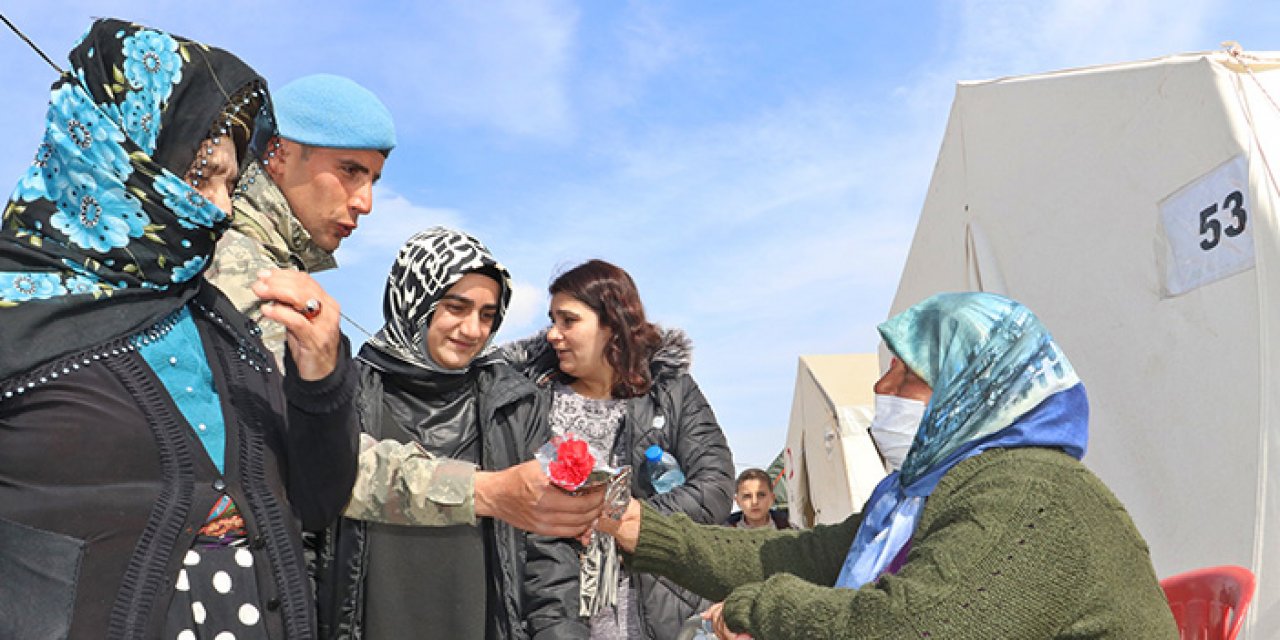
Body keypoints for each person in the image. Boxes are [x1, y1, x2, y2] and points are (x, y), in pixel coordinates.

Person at [0, 18, 360, 640]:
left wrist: (321, 381)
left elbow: (317, 500)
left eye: (229, 183)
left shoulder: (222, 326)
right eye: (199, 175)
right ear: (110, 155)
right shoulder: (14, 315)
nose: (218, 208)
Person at [599, 292, 1179, 639]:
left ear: (973, 393)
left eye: (908, 374)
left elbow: (913, 627)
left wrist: (761, 609)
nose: (881, 386)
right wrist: (637, 527)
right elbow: (795, 555)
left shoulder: (1031, 494)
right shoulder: (915, 499)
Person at [317, 227, 585, 639]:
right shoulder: (348, 395)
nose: (473, 329)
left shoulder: (515, 405)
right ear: (414, 300)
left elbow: (547, 550)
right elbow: (309, 533)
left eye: (487, 315)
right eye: (456, 308)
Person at [501, 259, 736, 640]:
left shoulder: (671, 391)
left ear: (612, 324)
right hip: (555, 610)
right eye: (552, 320)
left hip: (669, 609)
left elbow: (716, 487)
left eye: (568, 321)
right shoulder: (531, 401)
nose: (553, 335)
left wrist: (617, 517)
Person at [206, 72, 395, 364]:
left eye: (372, 181)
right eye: (350, 171)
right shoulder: (245, 270)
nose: (365, 203)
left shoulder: (269, 262)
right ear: (279, 155)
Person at [724, 469, 791, 530]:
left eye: (761, 495)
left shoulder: (790, 528)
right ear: (738, 501)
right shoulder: (724, 531)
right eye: (747, 496)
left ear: (772, 498)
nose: (754, 502)